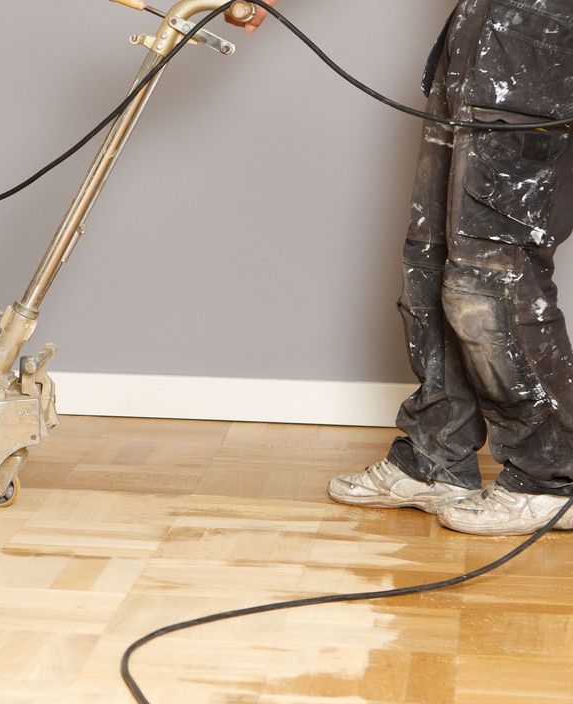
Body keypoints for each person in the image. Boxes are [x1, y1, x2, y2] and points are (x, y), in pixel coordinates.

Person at [235, 0, 573, 535]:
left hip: (543, 51)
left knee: (492, 278)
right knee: (431, 260)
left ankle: (551, 477)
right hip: (484, 36)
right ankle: (438, 456)